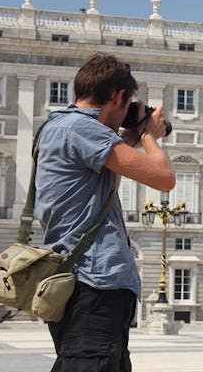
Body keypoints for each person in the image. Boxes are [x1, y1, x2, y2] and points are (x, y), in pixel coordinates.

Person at [37, 53, 174, 371]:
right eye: (128, 105)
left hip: (87, 284)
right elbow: (164, 177)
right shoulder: (83, 130)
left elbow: (116, 157)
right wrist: (149, 136)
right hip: (95, 285)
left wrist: (135, 132)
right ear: (117, 96)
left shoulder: (60, 126)